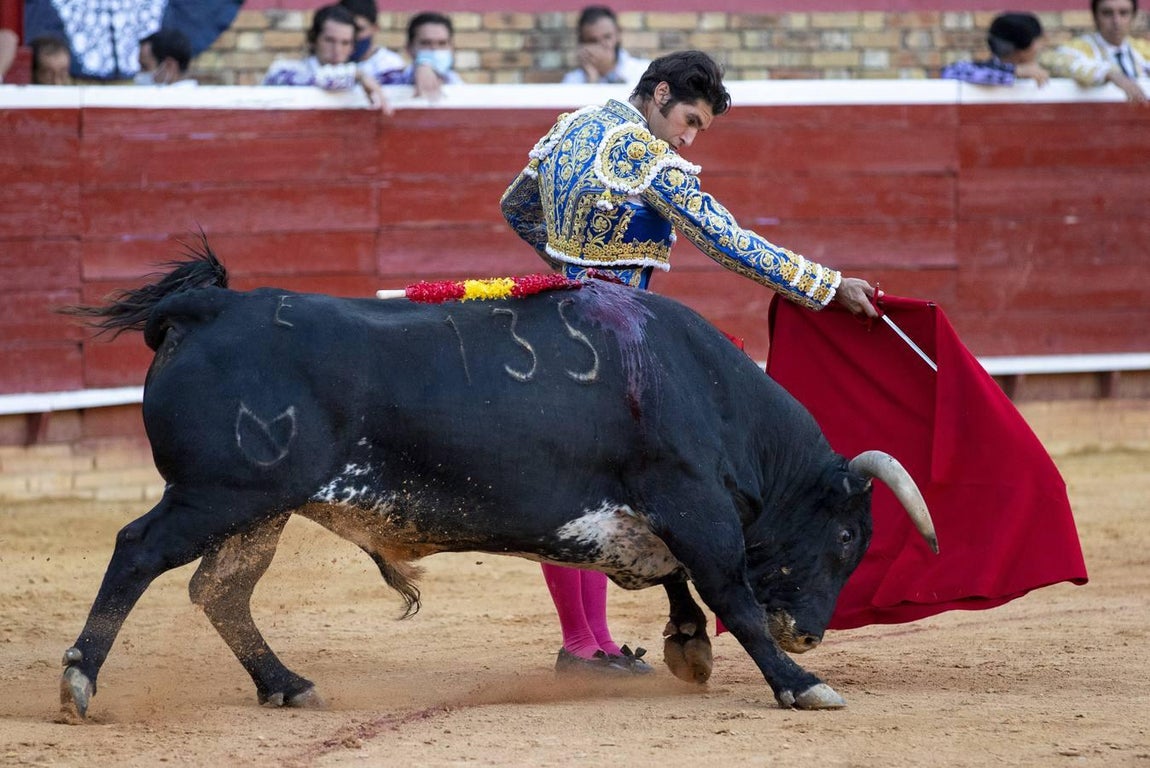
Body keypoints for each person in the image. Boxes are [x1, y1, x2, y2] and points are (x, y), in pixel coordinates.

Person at [500, 50, 879, 675]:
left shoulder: (571, 126)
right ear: (660, 94)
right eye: (690, 120)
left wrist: (570, 270)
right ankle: (591, 643)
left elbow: (516, 207)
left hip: (555, 323)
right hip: (620, 340)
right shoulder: (642, 153)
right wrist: (824, 284)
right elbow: (724, 239)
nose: (689, 137)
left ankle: (589, 642)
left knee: (574, 482)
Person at [263, 3, 388, 111]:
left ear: (352, 47)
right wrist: (357, 76)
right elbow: (314, 79)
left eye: (345, 43)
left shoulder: (364, 75)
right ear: (313, 39)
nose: (337, 50)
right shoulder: (283, 71)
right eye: (329, 40)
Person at [1045, 0, 1150, 102]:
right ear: (1095, 17)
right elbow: (1052, 61)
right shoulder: (1079, 47)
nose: (1116, 21)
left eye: (1123, 13)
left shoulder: (1144, 50)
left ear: (1133, 17)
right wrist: (1108, 74)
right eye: (1107, 13)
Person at [941, 12, 1051, 86]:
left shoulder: (1050, 69)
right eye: (1039, 41)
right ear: (1023, 50)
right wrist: (1014, 71)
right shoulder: (989, 70)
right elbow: (951, 72)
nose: (1042, 46)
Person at [379, 11, 462, 101]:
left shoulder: (459, 85)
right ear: (409, 48)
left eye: (442, 43)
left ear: (452, 48)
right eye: (426, 43)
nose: (434, 49)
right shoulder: (389, 80)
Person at [562, 5, 650, 85]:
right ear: (582, 44)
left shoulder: (644, 71)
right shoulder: (572, 81)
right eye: (593, 41)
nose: (602, 45)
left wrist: (609, 72)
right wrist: (592, 80)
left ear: (618, 34)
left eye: (607, 37)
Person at [337, 0, 406, 83]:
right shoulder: (329, 60)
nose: (352, 36)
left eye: (358, 29)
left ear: (375, 28)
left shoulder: (389, 64)